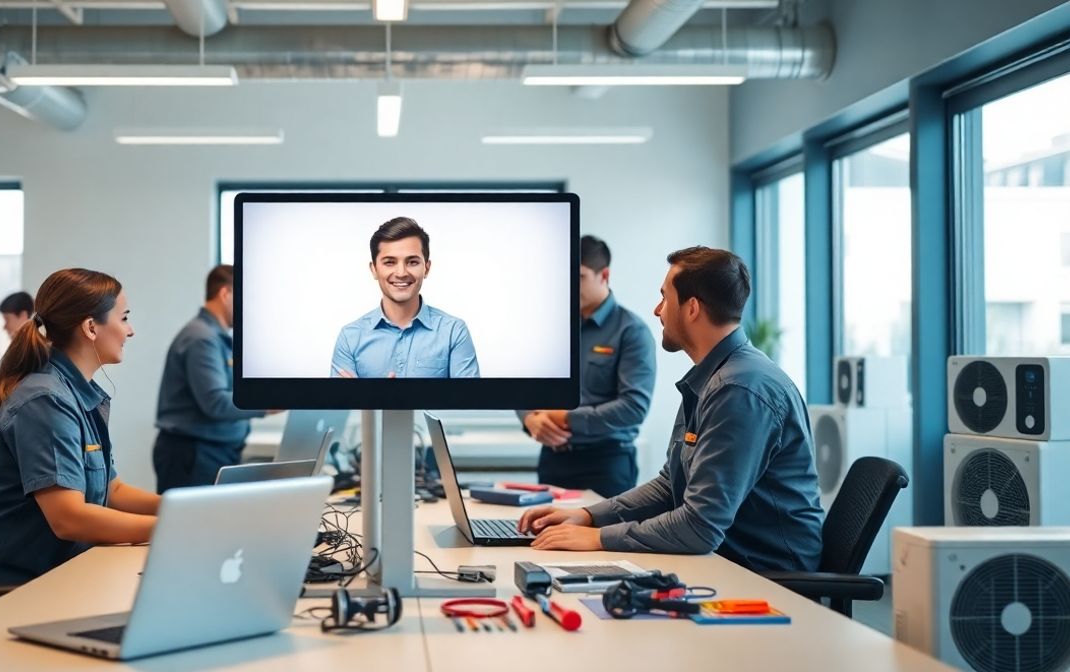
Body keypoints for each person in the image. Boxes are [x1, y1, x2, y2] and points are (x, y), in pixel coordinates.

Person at [519, 247, 824, 573]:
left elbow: (699, 526)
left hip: (764, 572)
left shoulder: (738, 390)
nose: (657, 310)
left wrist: (599, 538)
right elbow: (671, 484)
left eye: (665, 297)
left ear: (691, 308)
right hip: (727, 556)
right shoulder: (715, 377)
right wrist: (589, 516)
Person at [0, 268, 160, 587]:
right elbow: (68, 518)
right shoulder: (45, 400)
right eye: (124, 318)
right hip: (7, 585)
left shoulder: (75, 394)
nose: (130, 331)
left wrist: (184, 508)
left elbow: (112, 490)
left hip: (51, 570)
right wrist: (169, 528)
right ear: (91, 327)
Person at [518, 235, 656, 497]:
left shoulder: (631, 331)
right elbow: (526, 384)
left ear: (604, 275)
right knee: (544, 537)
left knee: (597, 538)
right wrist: (530, 418)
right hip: (553, 460)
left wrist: (565, 417)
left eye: (579, 277)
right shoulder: (553, 326)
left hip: (606, 465)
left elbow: (633, 408)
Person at [153, 265, 271, 493]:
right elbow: (216, 403)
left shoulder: (216, 338)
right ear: (226, 294)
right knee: (194, 528)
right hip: (195, 455)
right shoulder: (201, 339)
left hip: (211, 452)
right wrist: (268, 404)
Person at [331, 217, 479, 379]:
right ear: (374, 269)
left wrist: (374, 401)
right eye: (389, 262)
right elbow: (341, 403)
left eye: (412, 262)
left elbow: (470, 403)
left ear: (427, 268)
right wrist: (373, 405)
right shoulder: (350, 337)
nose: (401, 273)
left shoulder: (454, 332)